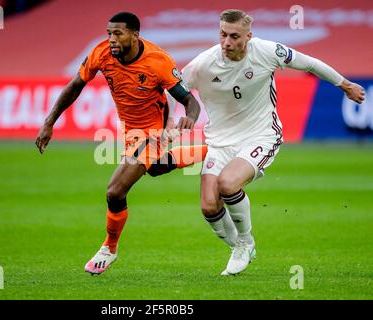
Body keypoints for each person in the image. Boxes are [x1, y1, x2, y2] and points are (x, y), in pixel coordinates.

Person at [180, 9, 365, 276]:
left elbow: (310, 63)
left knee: (227, 184)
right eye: (222, 35)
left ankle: (244, 242)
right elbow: (175, 89)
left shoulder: (267, 51)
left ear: (248, 37)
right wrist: (170, 124)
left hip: (261, 134)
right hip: (220, 141)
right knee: (209, 206)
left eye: (234, 36)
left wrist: (344, 85)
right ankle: (240, 246)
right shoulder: (202, 64)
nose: (227, 42)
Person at [35, 12, 207, 275]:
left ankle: (109, 248)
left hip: (152, 131)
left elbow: (189, 100)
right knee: (156, 168)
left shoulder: (158, 61)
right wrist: (49, 122)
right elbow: (75, 86)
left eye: (118, 34)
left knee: (115, 191)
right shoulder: (101, 53)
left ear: (135, 35)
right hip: (128, 128)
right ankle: (212, 150)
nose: (112, 39)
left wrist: (190, 119)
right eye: (109, 34)